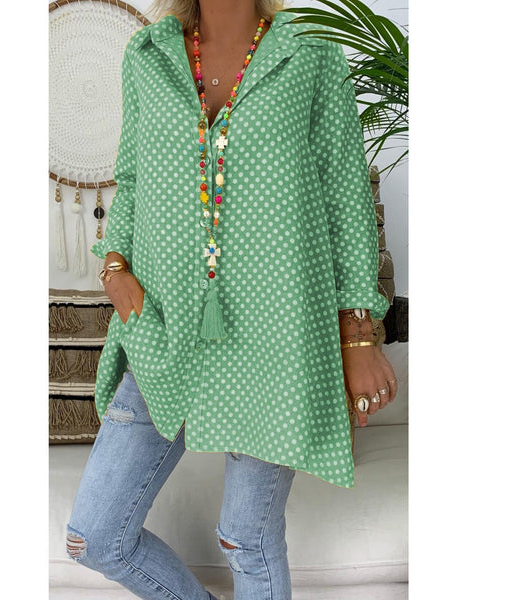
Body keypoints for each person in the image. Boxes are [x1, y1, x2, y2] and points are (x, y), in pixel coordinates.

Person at [65, 1, 399, 598]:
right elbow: (133, 178)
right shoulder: (148, 55)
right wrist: (114, 268)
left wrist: (358, 332)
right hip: (163, 328)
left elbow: (345, 193)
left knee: (246, 538)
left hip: (276, 335)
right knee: (94, 536)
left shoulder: (311, 52)